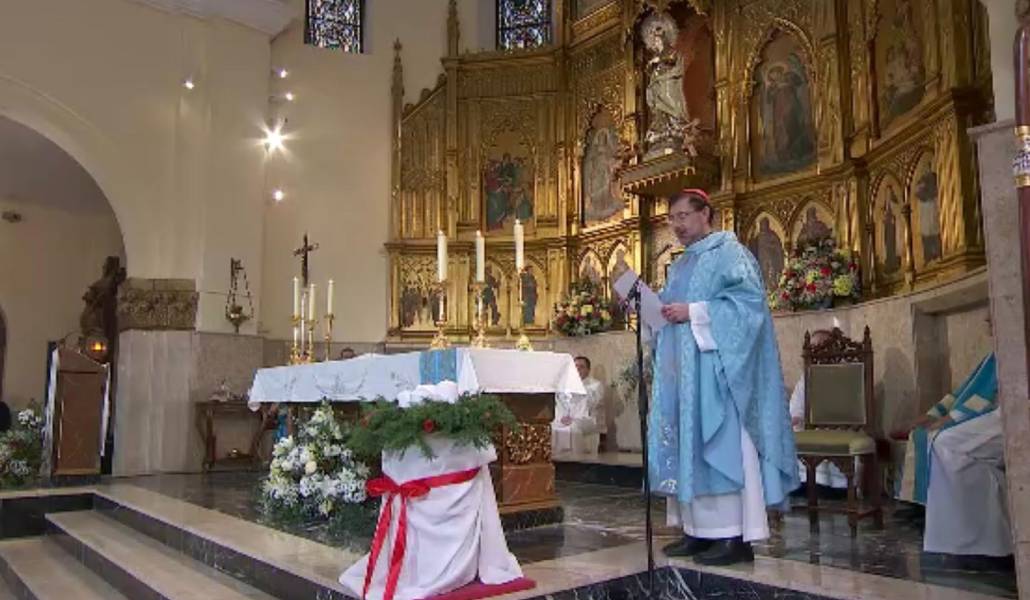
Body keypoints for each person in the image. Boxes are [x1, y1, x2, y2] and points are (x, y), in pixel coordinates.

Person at [651, 188, 798, 566]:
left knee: (721, 447)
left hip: (719, 376)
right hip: (686, 377)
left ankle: (733, 537)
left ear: (705, 214)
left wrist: (695, 312)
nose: (676, 225)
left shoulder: (729, 251)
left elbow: (749, 306)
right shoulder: (683, 263)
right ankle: (698, 533)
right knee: (690, 448)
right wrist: (650, 310)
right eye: (672, 219)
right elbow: (669, 313)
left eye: (683, 216)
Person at [892, 328, 1007, 556]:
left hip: (1001, 415)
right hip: (989, 416)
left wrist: (950, 418)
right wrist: (932, 415)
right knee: (924, 434)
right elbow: (962, 392)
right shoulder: (992, 356)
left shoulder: (1007, 348)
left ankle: (978, 534)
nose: (986, 320)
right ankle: (945, 520)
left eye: (991, 314)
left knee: (942, 442)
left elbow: (988, 397)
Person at [788, 329, 849, 490]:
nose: (817, 352)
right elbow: (796, 410)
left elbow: (851, 411)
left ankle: (834, 485)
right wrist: (791, 420)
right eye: (813, 347)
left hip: (840, 430)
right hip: (808, 430)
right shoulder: (805, 378)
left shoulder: (848, 373)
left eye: (821, 346)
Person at [552, 356, 606, 455]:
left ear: (588, 370)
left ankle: (575, 457)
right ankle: (557, 456)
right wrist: (563, 417)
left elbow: (592, 402)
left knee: (574, 428)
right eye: (575, 366)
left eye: (581, 367)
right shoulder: (564, 385)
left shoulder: (595, 385)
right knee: (553, 426)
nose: (578, 369)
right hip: (566, 418)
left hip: (587, 420)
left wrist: (576, 387)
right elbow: (559, 403)